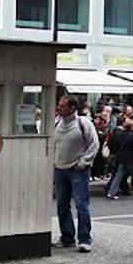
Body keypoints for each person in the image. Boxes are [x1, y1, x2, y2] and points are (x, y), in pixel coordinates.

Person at [53, 95, 99, 253]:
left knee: (81, 205)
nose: (59, 108)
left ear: (72, 108)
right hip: (60, 168)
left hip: (77, 169)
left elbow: (94, 144)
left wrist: (84, 162)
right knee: (62, 205)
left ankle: (85, 239)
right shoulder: (56, 123)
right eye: (59, 105)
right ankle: (67, 237)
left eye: (62, 106)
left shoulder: (83, 123)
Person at [106, 119, 133, 200]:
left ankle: (111, 192)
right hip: (130, 159)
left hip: (121, 157)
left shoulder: (121, 134)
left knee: (118, 176)